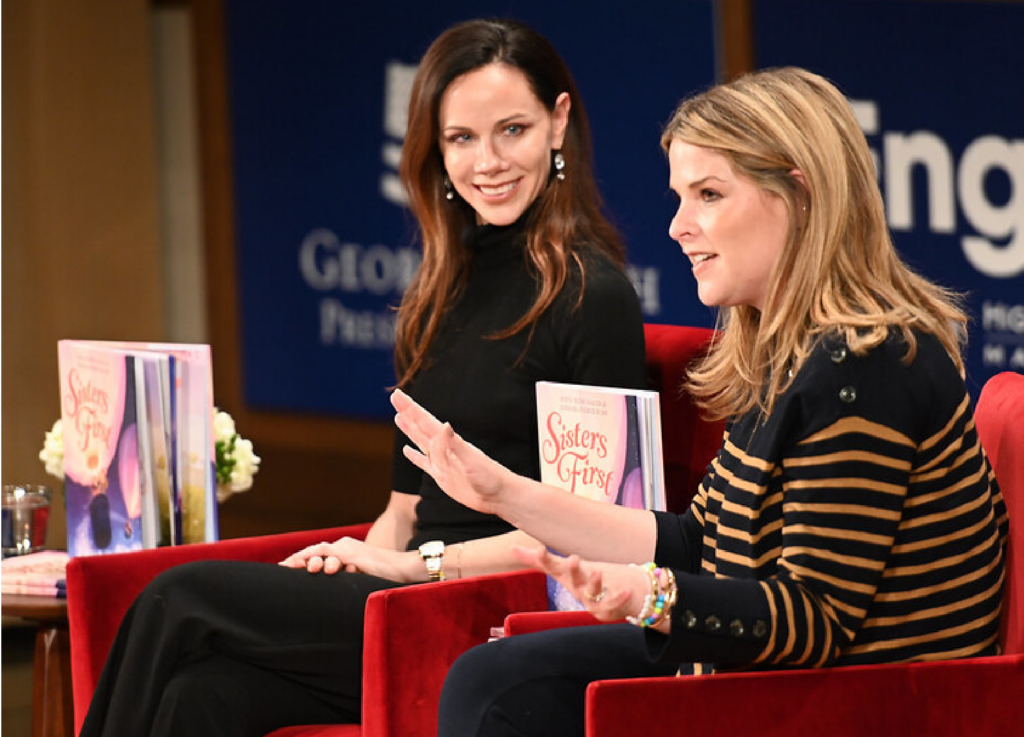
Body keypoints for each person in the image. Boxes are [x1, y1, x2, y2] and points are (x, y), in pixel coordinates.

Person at [392, 67, 1009, 737]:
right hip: (768, 674)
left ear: (799, 194)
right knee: (493, 677)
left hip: (857, 702)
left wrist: (649, 595)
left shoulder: (865, 364)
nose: (679, 227)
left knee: (499, 690)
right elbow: (697, 538)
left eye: (709, 194)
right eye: (681, 197)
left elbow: (814, 619)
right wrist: (504, 491)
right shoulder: (790, 346)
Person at [79, 18, 647, 737]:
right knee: (204, 694)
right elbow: (404, 508)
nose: (489, 161)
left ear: (559, 124)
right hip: (405, 596)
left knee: (175, 598)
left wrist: (414, 568)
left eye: (513, 130)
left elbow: (599, 537)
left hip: (494, 611)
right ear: (435, 150)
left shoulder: (593, 296)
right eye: (461, 139)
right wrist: (359, 559)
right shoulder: (440, 291)